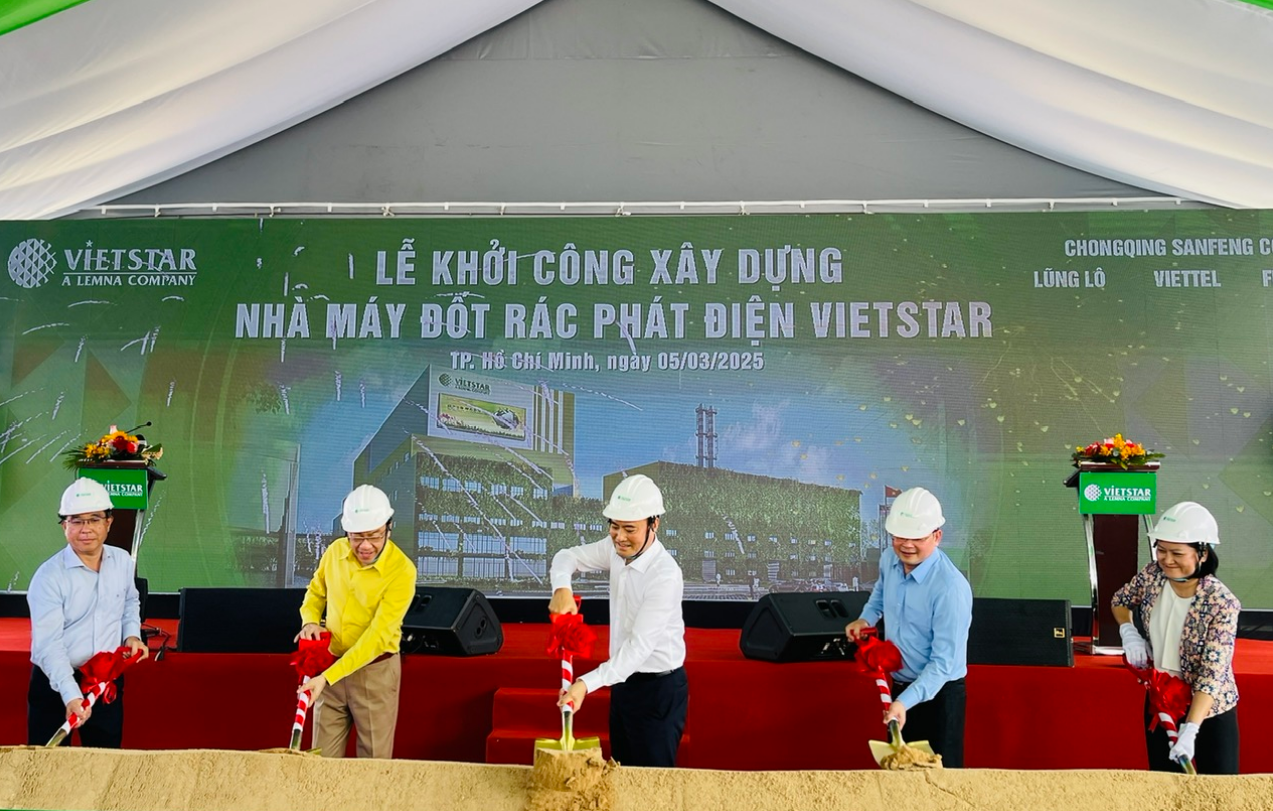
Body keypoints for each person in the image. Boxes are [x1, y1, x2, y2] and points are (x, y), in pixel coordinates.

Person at [550, 474, 687, 767]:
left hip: (658, 691)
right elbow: (566, 557)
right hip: (622, 684)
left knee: (651, 784)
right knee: (621, 769)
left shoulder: (665, 574)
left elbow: (639, 648)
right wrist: (562, 588)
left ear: (654, 524)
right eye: (614, 526)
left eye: (629, 528)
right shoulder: (615, 549)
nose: (619, 537)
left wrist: (585, 684)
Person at [845, 486, 973, 767]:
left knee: (941, 778)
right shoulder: (890, 559)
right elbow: (879, 593)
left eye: (917, 537)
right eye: (899, 536)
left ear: (937, 536)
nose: (907, 545)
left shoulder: (951, 589)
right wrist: (866, 618)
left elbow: (942, 665)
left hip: (940, 695)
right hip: (901, 688)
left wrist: (904, 702)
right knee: (902, 772)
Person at [1113, 501, 1240, 774]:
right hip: (1161, 699)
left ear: (1203, 553)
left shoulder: (1221, 602)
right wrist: (1128, 631)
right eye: (1161, 550)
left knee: (1218, 790)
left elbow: (1212, 674)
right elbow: (1120, 600)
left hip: (1208, 710)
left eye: (1177, 553)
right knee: (1165, 786)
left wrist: (1192, 729)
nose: (1166, 560)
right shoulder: (1152, 576)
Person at [297, 484, 416, 759]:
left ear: (388, 528)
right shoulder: (335, 552)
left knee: (372, 765)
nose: (365, 546)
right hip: (330, 666)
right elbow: (315, 592)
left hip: (374, 672)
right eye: (356, 537)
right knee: (320, 761)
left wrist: (326, 678)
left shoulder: (402, 571)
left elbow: (376, 638)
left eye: (374, 536)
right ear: (346, 532)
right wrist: (310, 621)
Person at [27, 478, 148, 747]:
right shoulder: (48, 577)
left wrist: (131, 635)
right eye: (76, 521)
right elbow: (48, 646)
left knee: (105, 761)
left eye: (94, 519)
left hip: (106, 679)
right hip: (56, 681)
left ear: (108, 522)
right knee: (48, 766)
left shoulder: (122, 562)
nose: (86, 529)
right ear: (64, 526)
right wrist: (71, 695)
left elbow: (130, 601)